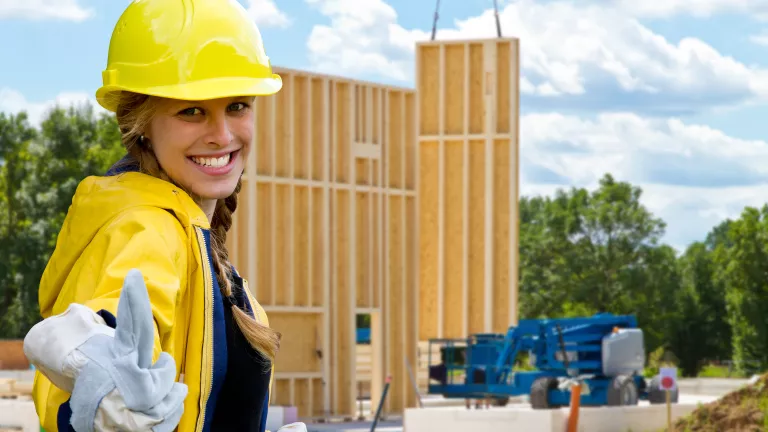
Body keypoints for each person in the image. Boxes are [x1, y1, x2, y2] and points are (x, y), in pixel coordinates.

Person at [21, 0, 305, 431]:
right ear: (140, 122)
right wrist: (102, 374)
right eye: (191, 110)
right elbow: (117, 314)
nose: (223, 135)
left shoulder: (202, 247)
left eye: (237, 106)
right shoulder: (148, 225)